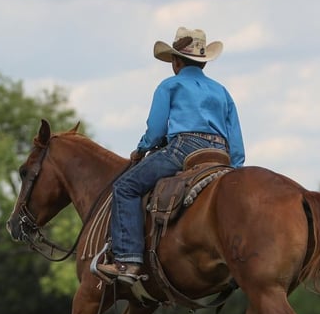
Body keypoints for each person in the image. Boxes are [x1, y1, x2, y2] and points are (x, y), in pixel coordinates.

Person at [96, 27, 245, 284]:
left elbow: (155, 131)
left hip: (184, 148)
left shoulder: (170, 85)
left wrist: (142, 148)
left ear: (175, 61)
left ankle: (128, 261)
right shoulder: (222, 92)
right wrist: (234, 170)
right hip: (220, 154)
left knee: (125, 187)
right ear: (204, 63)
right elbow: (238, 147)